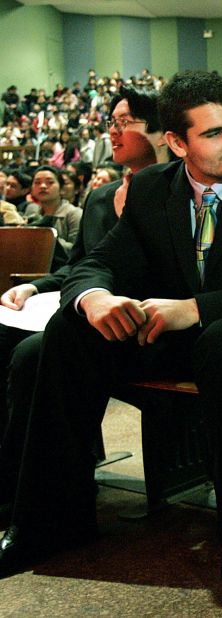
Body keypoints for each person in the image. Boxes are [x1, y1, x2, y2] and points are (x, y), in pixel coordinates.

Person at [0, 71, 222, 589]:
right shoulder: (152, 187)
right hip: (165, 338)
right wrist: (96, 297)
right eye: (214, 133)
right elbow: (97, 262)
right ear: (176, 143)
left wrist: (193, 308)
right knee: (64, 330)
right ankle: (51, 521)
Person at [0, 85, 170, 502]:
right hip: (88, 314)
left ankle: (47, 494)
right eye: (110, 123)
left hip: (142, 323)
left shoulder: (177, 193)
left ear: (160, 130)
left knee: (33, 354)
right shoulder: (100, 198)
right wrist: (34, 286)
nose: (112, 132)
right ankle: (10, 479)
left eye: (124, 123)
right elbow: (80, 267)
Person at [23, 166, 83, 253]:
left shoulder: (75, 214)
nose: (42, 186)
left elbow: (76, 251)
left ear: (61, 189)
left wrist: (47, 237)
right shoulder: (32, 212)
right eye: (37, 182)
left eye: (50, 182)